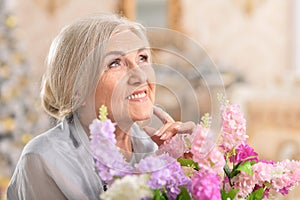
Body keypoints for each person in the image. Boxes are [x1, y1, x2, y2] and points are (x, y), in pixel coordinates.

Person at [7, 14, 195, 200]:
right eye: (115, 63)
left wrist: (189, 171)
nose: (141, 76)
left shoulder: (152, 148)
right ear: (76, 88)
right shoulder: (43, 159)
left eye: (143, 58)